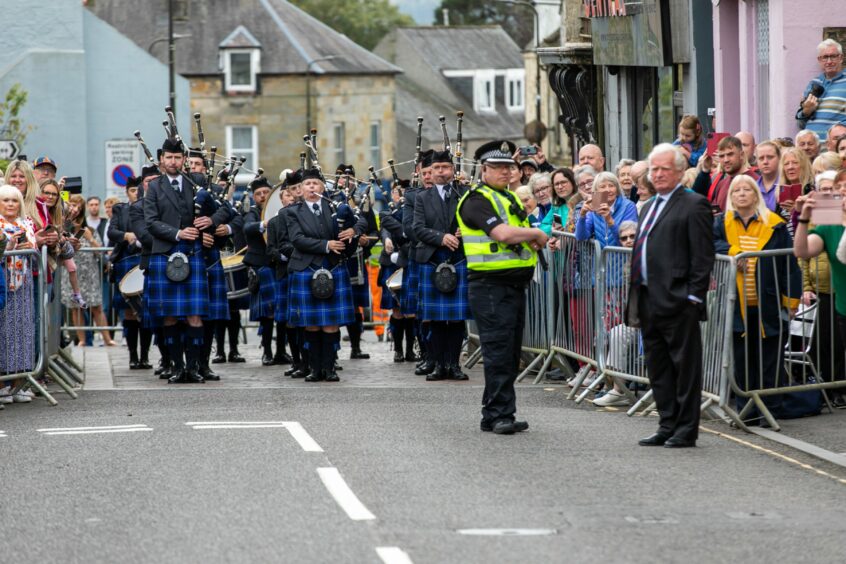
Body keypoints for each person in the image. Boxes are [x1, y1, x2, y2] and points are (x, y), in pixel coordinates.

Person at [625, 143, 714, 448]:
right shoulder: (649, 206)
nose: (658, 174)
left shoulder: (694, 204)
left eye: (664, 168)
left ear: (679, 171)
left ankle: (686, 429)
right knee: (658, 366)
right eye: (654, 169)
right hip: (648, 297)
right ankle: (667, 423)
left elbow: (703, 257)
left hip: (678, 300)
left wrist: (693, 298)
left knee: (685, 368)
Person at [457, 140, 548, 434]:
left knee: (508, 352)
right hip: (489, 286)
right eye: (497, 168)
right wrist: (534, 233)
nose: (505, 172)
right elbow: (503, 233)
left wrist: (530, 237)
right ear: (484, 169)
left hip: (511, 284)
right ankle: (498, 415)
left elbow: (515, 232)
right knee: (498, 351)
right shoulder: (476, 200)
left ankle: (498, 411)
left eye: (508, 167)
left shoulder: (505, 198)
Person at [714, 175, 801, 423]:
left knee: (769, 360)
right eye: (736, 190)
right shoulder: (721, 223)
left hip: (768, 304)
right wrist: (734, 253)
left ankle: (770, 409)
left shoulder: (775, 224)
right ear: (730, 196)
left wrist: (791, 301)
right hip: (736, 305)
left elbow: (789, 265)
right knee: (742, 361)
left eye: (747, 189)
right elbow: (710, 244)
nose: (741, 193)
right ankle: (747, 410)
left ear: (756, 195)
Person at [143, 137, 215, 384]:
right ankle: (176, 367)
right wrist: (178, 233)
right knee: (169, 315)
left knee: (195, 314)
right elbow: (151, 222)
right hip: (166, 253)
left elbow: (222, 208)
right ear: (162, 159)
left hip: (192, 253)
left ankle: (193, 368)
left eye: (177, 157)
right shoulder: (154, 187)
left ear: (184, 160)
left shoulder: (196, 183)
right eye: (169, 157)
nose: (173, 162)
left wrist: (212, 223)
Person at [286, 167, 357, 382]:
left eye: (315, 184)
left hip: (333, 268)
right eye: (307, 184)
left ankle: (329, 368)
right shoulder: (292, 212)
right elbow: (297, 239)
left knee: (331, 323)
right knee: (312, 323)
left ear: (322, 187)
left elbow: (361, 222)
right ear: (301, 189)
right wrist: (326, 245)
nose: (311, 188)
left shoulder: (334, 208)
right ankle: (314, 369)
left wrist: (353, 231)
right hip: (306, 269)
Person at [412, 149, 470, 381]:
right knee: (435, 318)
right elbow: (417, 228)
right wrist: (441, 237)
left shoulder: (464, 192)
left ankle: (454, 365)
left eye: (445, 168)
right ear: (430, 171)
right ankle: (437, 364)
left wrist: (465, 230)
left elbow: (476, 221)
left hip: (458, 258)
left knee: (456, 318)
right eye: (436, 168)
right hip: (432, 259)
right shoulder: (422, 198)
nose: (440, 172)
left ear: (452, 170)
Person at [794, 169, 846, 382]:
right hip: (844, 308)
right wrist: (804, 219)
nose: (842, 192)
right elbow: (802, 251)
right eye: (838, 188)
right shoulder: (829, 224)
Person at [593, 219, 639, 407]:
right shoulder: (624, 262)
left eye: (632, 237)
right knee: (613, 332)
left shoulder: (651, 256)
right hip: (638, 322)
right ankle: (618, 389)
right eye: (624, 238)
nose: (628, 241)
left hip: (660, 320)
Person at [61, 194, 116, 346]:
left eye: (79, 206)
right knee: (75, 308)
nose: (76, 209)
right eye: (73, 205)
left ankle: (107, 339)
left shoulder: (89, 229)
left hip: (90, 273)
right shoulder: (65, 228)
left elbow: (101, 251)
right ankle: (82, 340)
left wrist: (91, 239)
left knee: (96, 306)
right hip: (71, 273)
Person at [0, 185, 38, 404]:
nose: (10, 204)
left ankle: (19, 384)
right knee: (4, 334)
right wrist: (11, 246)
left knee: (23, 333)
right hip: (4, 281)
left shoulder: (26, 223)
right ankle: (3, 384)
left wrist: (26, 244)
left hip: (23, 284)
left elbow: (33, 249)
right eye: (5, 200)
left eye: (14, 201)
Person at [108, 176, 151, 369]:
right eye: (133, 190)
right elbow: (111, 232)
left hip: (146, 261)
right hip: (126, 262)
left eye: (139, 189)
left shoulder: (150, 208)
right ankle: (133, 356)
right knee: (130, 313)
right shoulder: (120, 209)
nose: (137, 193)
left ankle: (145, 356)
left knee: (147, 311)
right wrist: (126, 235)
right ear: (127, 192)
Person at [402, 150, 433, 374]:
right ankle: (426, 354)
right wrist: (438, 237)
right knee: (421, 312)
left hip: (446, 257)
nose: (429, 176)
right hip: (420, 258)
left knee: (443, 314)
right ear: (419, 173)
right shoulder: (412, 197)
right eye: (426, 172)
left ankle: (442, 357)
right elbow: (409, 229)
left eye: (433, 171)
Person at [39, 179, 87, 308]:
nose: (75, 209)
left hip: (49, 269)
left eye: (54, 194)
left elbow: (67, 249)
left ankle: (77, 294)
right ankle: (77, 294)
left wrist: (68, 242)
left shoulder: (60, 217)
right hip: (39, 269)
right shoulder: (38, 212)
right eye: (47, 193)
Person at [796, 38, 846, 142]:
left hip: (835, 150)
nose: (829, 61)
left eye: (833, 56)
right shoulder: (814, 83)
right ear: (819, 60)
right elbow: (800, 124)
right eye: (825, 57)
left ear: (841, 58)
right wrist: (806, 111)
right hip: (811, 148)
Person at [693, 135, 758, 213]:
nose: (726, 160)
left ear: (741, 155)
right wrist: (705, 170)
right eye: (722, 156)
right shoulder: (721, 184)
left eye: (730, 154)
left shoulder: (755, 181)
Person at [575, 172, 638, 247]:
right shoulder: (595, 205)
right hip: (602, 257)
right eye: (602, 187)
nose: (608, 190)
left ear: (617, 189)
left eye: (611, 186)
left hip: (623, 257)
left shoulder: (628, 206)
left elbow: (628, 241)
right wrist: (582, 215)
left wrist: (609, 220)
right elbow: (581, 237)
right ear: (596, 191)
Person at [540, 168, 575, 237]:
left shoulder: (581, 204)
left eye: (563, 182)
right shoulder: (556, 207)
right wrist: (552, 230)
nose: (560, 187)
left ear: (573, 182)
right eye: (556, 184)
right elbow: (543, 226)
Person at [754, 140, 782, 212]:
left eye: (770, 157)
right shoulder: (752, 188)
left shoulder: (786, 185)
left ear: (779, 158)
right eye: (761, 158)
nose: (765, 162)